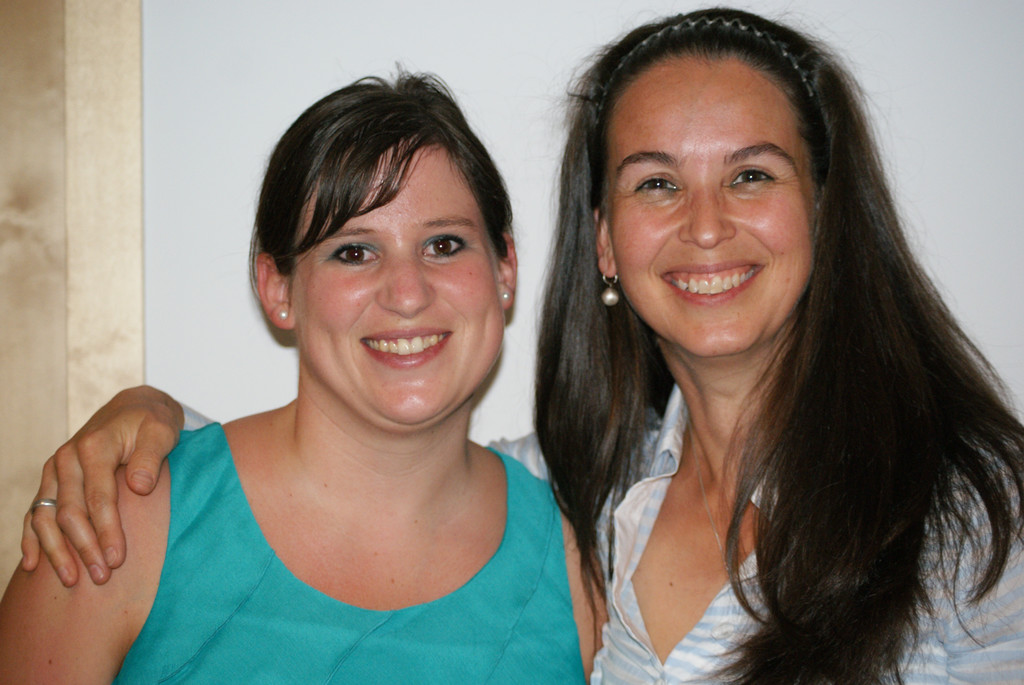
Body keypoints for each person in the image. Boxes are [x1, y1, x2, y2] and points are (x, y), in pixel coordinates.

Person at [19, 8, 1024, 684]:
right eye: (656, 182)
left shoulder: (976, 516)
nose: (706, 224)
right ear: (604, 242)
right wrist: (145, 419)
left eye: (752, 174)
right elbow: (350, 475)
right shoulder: (593, 493)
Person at [0, 73, 598, 683]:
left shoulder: (577, 564)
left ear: (504, 269)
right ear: (278, 289)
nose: (408, 293)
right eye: (354, 252)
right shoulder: (115, 522)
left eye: (444, 245)